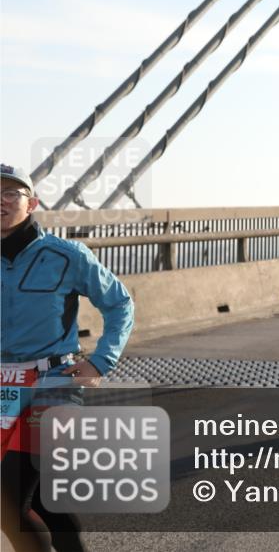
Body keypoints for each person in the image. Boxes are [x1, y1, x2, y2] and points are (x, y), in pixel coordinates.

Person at [1, 163, 135, 552]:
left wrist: (100, 361)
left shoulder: (65, 255)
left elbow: (119, 304)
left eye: (12, 193)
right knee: (42, 501)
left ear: (32, 204)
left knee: (9, 497)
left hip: (52, 386)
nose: (1, 201)